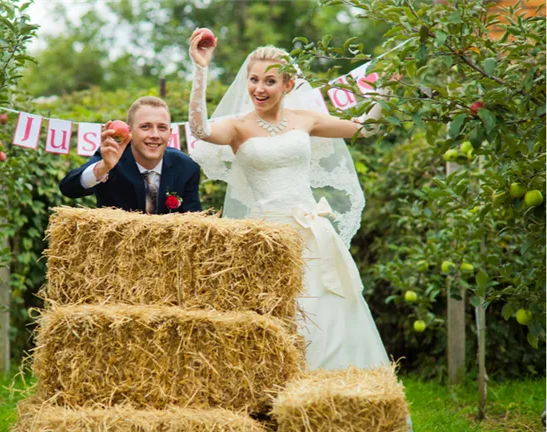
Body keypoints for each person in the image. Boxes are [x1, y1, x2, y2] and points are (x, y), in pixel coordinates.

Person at [188, 30, 389, 370]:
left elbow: (363, 127)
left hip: (310, 233)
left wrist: (387, 89)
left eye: (269, 81)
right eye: (253, 80)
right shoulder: (237, 127)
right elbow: (200, 130)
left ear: (288, 85)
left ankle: (336, 389)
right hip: (265, 237)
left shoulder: (305, 120)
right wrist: (200, 69)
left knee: (327, 309)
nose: (259, 89)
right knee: (271, 317)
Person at [60, 96, 202, 214]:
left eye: (162, 127)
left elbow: (194, 221)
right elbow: (68, 188)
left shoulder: (187, 167)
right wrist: (104, 167)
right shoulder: (112, 157)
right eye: (145, 127)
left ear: (170, 133)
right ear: (130, 131)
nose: (154, 135)